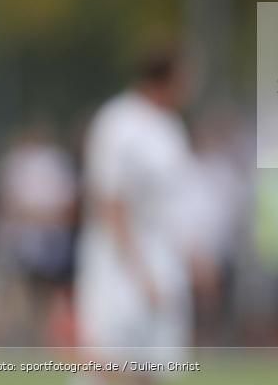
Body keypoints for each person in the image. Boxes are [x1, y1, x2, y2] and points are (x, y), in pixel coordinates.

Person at [75, 43, 195, 381]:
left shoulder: (170, 126)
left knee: (156, 367)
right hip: (118, 263)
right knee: (109, 363)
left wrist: (190, 256)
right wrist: (140, 272)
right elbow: (110, 202)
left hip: (164, 259)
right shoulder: (118, 122)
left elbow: (174, 203)